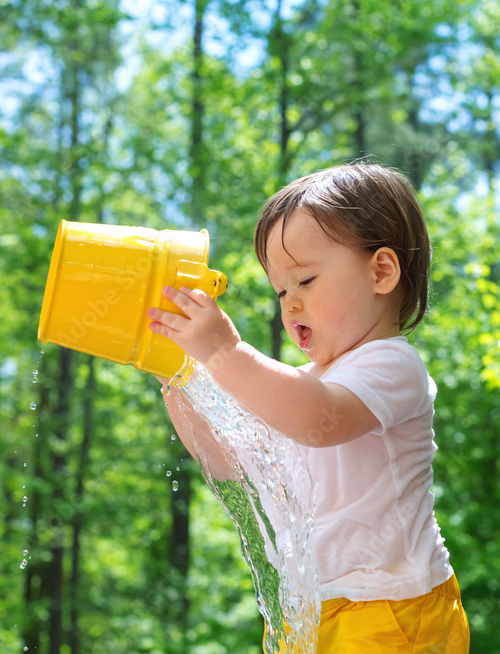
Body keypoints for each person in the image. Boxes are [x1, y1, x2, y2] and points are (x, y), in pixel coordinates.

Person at [147, 163, 469, 653]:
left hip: (392, 611)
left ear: (381, 271)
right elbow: (229, 462)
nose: (289, 304)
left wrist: (225, 353)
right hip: (317, 608)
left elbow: (317, 421)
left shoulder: (392, 364)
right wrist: (177, 376)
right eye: (280, 289)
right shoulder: (302, 385)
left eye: (306, 280)